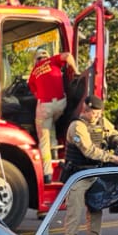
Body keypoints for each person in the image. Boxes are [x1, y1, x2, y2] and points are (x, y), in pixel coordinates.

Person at [60, 95, 118, 235]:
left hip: (95, 172)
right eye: (94, 113)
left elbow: (111, 133)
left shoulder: (101, 122)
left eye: (99, 113)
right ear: (86, 110)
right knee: (74, 213)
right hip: (77, 175)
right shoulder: (77, 126)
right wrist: (112, 158)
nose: (97, 116)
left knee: (96, 209)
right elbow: (89, 150)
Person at [27, 48, 77, 180]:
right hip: (61, 103)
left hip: (46, 106)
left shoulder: (33, 73)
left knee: (43, 137)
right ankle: (55, 151)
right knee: (50, 123)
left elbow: (36, 94)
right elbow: (67, 55)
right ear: (46, 56)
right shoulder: (53, 61)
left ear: (36, 60)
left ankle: (47, 172)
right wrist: (76, 71)